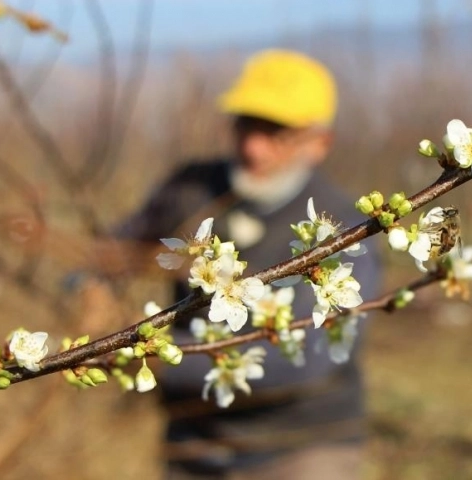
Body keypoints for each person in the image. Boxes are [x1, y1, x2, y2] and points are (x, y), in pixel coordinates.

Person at [105, 49, 380, 479]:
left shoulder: (344, 228)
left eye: (278, 132)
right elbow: (111, 251)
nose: (253, 146)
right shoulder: (191, 189)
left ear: (319, 143)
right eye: (246, 125)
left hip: (302, 445)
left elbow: (308, 358)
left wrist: (159, 357)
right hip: (195, 440)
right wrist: (89, 287)